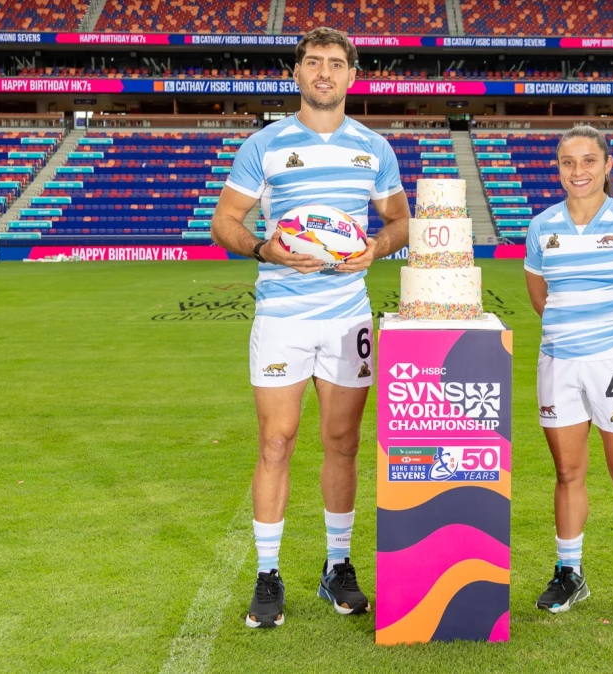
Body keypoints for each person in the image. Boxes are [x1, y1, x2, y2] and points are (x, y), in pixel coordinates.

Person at [210, 26, 411, 629]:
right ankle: (267, 574)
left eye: (336, 63)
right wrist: (265, 250)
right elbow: (225, 221)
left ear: (353, 75)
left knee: (344, 443)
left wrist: (376, 247)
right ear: (296, 73)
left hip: (348, 315)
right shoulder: (265, 146)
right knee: (276, 442)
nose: (324, 72)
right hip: (282, 314)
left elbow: (401, 220)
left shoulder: (374, 148)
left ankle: (337, 567)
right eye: (313, 62)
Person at [523, 125, 613, 626]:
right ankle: (570, 573)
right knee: (567, 473)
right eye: (568, 162)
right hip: (558, 362)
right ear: (558, 167)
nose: (578, 171)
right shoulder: (542, 226)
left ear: (608, 165)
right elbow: (540, 298)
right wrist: (572, 336)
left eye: (588, 161)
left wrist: (608, 335)